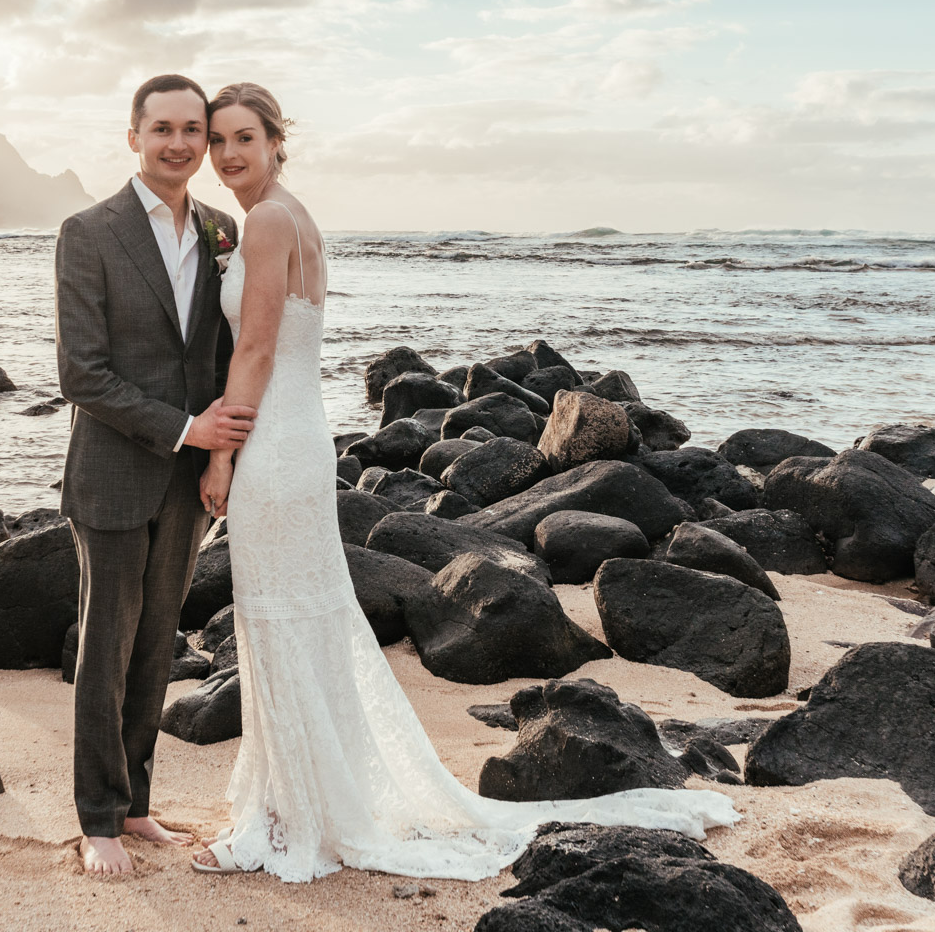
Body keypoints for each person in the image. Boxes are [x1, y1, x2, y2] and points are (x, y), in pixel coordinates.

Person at [189, 82, 738, 880]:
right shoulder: (294, 214)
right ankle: (297, 803)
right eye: (218, 142)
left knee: (279, 619)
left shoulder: (269, 220)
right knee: (295, 618)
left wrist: (219, 452)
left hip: (272, 440)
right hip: (297, 434)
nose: (228, 155)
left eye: (244, 137)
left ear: (277, 141)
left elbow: (258, 351)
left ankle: (287, 822)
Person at [53, 73, 254, 876]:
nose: (180, 143)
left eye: (193, 130)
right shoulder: (88, 231)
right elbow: (81, 372)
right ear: (132, 136)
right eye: (162, 128)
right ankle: (95, 818)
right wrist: (183, 428)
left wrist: (216, 453)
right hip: (111, 469)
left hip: (186, 484)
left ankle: (135, 806)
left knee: (156, 645)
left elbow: (216, 355)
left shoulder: (220, 229)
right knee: (107, 643)